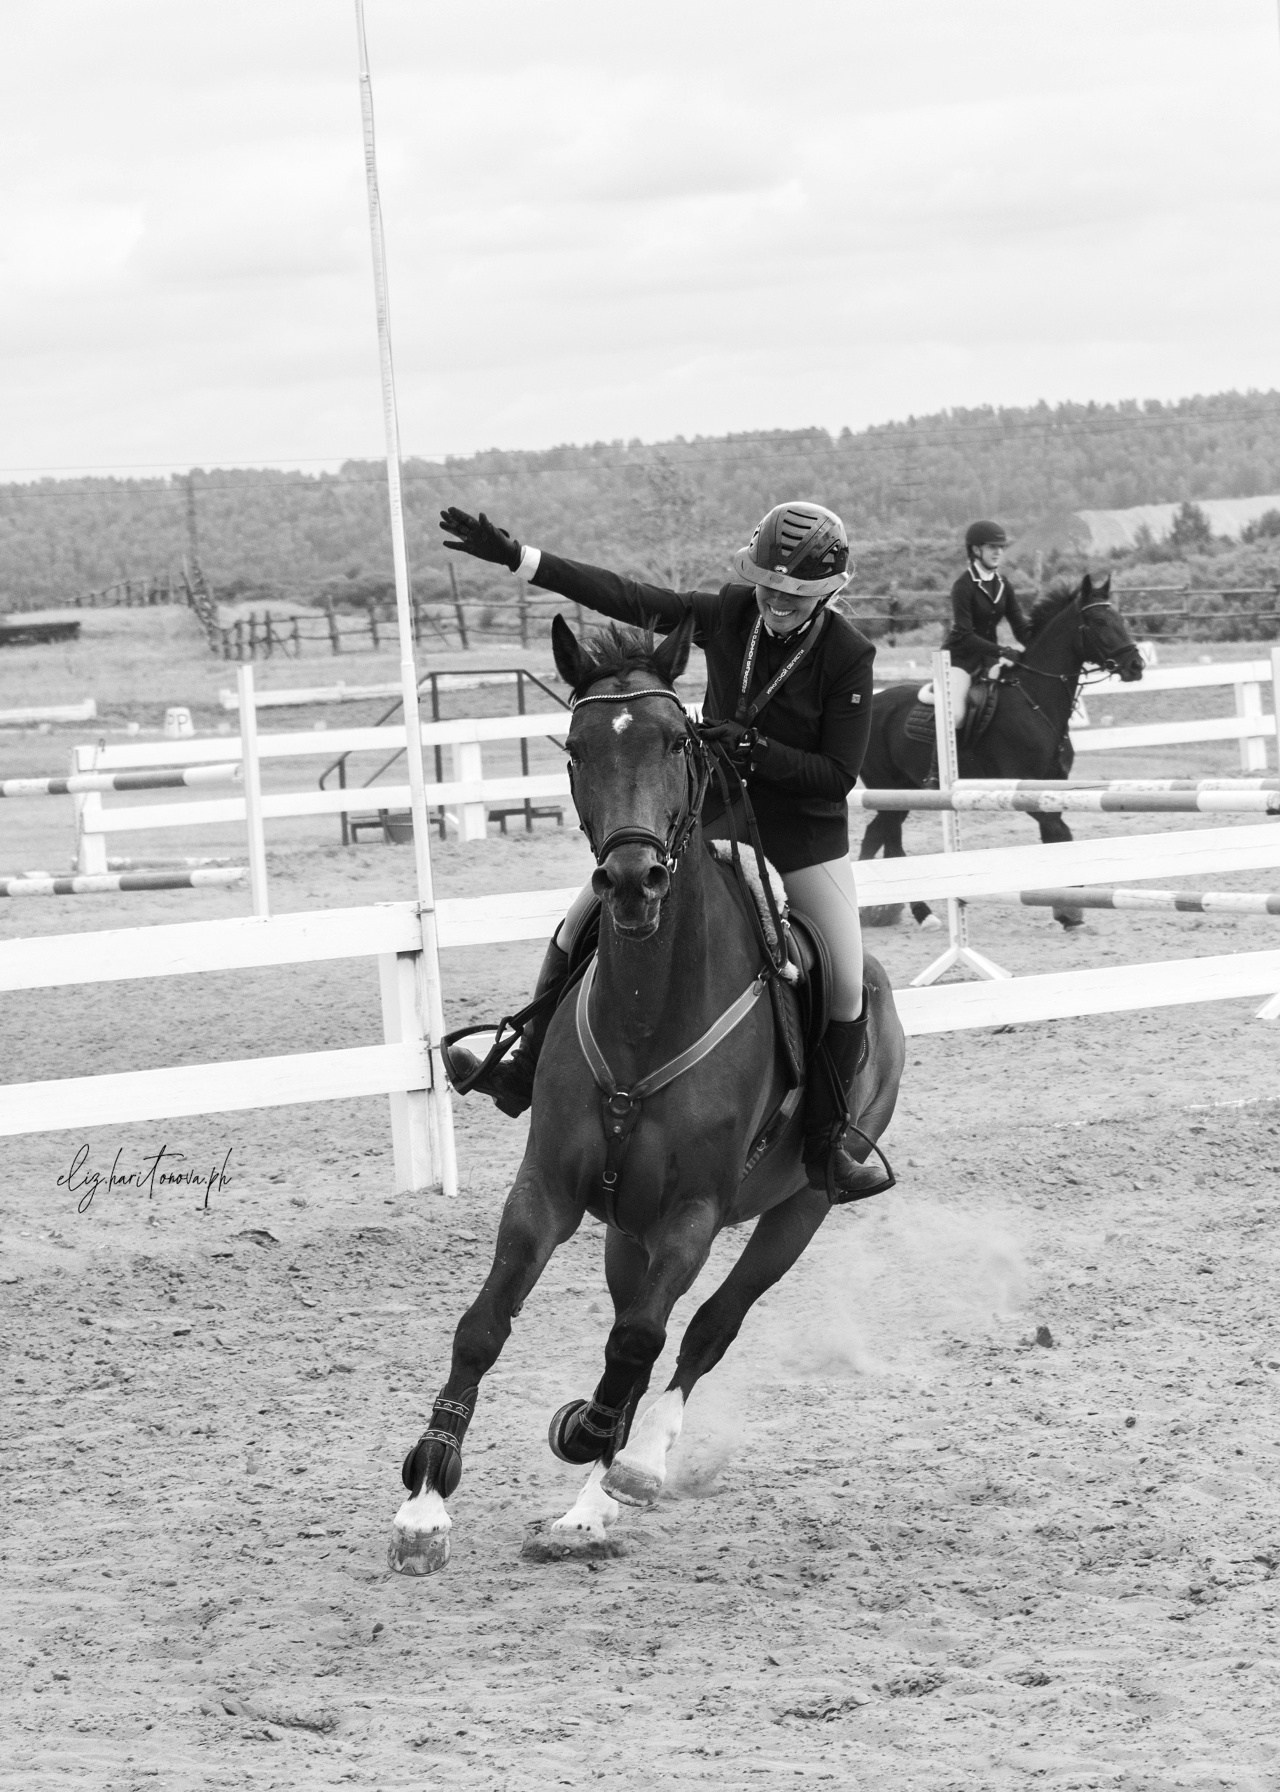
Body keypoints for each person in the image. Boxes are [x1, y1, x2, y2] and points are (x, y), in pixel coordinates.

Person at [438, 499, 891, 1202]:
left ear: (829, 592)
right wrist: (518, 557)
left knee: (842, 979)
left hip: (802, 839)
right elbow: (624, 595)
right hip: (704, 821)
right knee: (580, 917)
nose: (773, 603)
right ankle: (525, 1067)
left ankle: (827, 1143)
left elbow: (838, 775)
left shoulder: (847, 655)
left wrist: (757, 749)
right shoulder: (729, 613)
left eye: (791, 595)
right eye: (767, 587)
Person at [939, 520, 1032, 720]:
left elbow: (1020, 626)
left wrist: (1040, 644)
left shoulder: (1003, 585)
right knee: (955, 715)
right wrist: (1003, 651)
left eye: (1001, 547)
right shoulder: (963, 586)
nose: (998, 552)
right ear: (975, 549)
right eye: (992, 547)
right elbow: (965, 635)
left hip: (989, 659)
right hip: (960, 659)